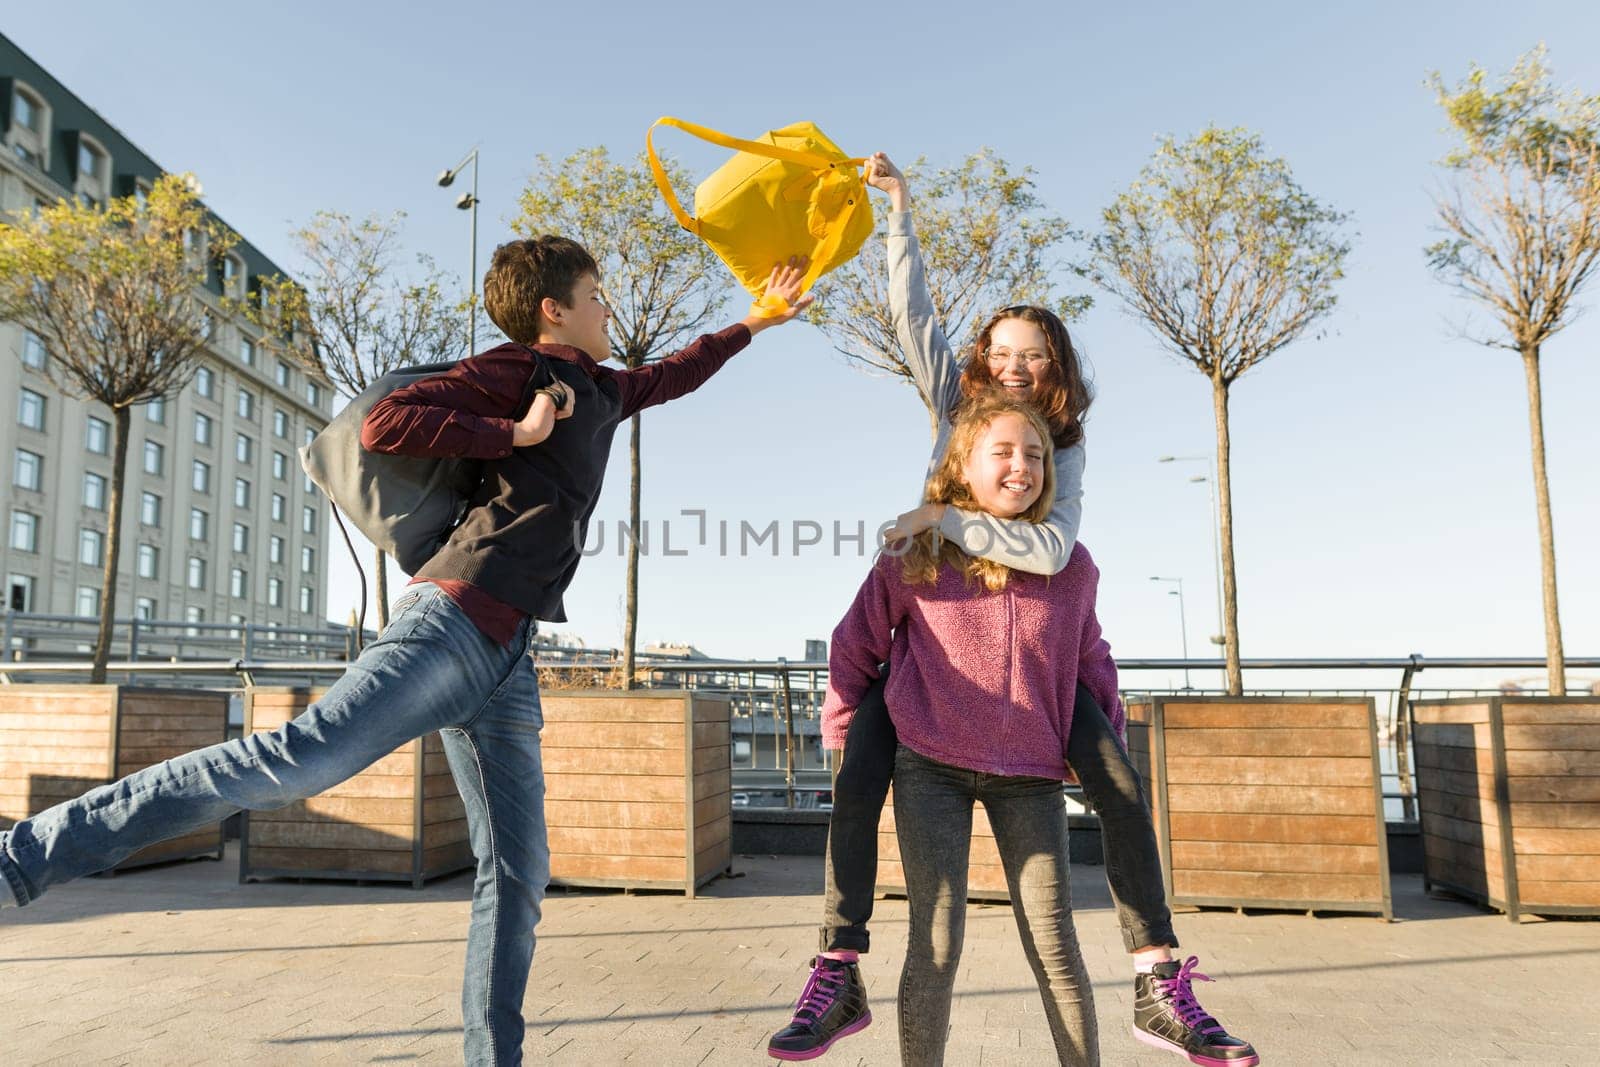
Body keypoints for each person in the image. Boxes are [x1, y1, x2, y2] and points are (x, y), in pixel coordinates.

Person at [0, 237, 813, 1067]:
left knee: (518, 875)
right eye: (596, 294)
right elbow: (387, 422)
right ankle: (20, 856)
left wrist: (760, 318)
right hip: (449, 624)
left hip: (505, 658)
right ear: (552, 310)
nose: (609, 308)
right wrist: (515, 429)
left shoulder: (603, 389)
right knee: (293, 760)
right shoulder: (518, 371)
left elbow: (676, 371)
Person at [768, 154, 1257, 1067]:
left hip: (1029, 673)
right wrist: (902, 211)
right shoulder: (955, 415)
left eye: (1036, 356)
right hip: (929, 651)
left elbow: (1055, 555)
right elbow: (916, 317)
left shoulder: (1062, 451)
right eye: (1003, 353)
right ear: (978, 379)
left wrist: (945, 516)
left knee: (1115, 781)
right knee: (860, 766)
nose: (1018, 367)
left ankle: (1156, 968)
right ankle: (838, 958)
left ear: (1057, 377)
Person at [820, 393, 1106, 1065]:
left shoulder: (1073, 565)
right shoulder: (916, 554)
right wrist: (842, 738)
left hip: (1031, 773)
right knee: (937, 938)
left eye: (1034, 454)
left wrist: (1098, 749)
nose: (1023, 466)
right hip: (932, 764)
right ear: (961, 468)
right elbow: (853, 643)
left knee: (1054, 941)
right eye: (1003, 452)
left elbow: (1091, 660)